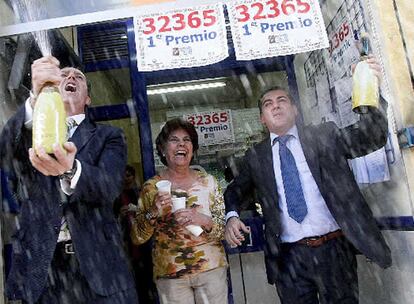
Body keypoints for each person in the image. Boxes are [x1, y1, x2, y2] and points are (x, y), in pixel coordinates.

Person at [224, 56, 392, 304]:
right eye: (268, 104)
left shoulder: (324, 136)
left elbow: (372, 136)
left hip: (335, 252)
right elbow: (234, 192)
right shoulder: (256, 156)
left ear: (295, 109)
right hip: (289, 259)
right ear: (262, 117)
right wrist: (232, 216)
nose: (276, 106)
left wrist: (367, 85)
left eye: (283, 100)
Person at [0, 56, 138, 303]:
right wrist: (35, 97)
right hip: (43, 270)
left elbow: (108, 186)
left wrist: (71, 169)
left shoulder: (109, 136)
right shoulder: (31, 131)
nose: (71, 77)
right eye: (64, 75)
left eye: (79, 77)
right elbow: (5, 152)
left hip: (98, 270)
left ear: (87, 99)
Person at [131, 118, 228, 304]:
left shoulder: (208, 182)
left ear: (193, 149)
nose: (182, 144)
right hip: (170, 273)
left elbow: (223, 230)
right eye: (174, 140)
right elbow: (137, 237)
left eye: (187, 140)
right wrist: (153, 211)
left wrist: (203, 219)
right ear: (162, 149)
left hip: (211, 268)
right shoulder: (151, 188)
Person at [114, 165, 157, 304]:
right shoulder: (115, 196)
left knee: (147, 278)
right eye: (124, 175)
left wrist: (137, 210)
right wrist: (119, 215)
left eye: (129, 175)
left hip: (144, 243)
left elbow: (149, 214)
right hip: (126, 243)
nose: (126, 179)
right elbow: (111, 218)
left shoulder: (140, 193)